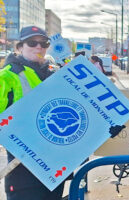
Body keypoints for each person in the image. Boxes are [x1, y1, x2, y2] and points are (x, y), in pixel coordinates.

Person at [0, 26, 65, 200]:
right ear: (19, 47)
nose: (39, 47)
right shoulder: (7, 76)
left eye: (44, 43)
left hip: (55, 167)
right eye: (32, 42)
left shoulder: (55, 75)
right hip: (23, 168)